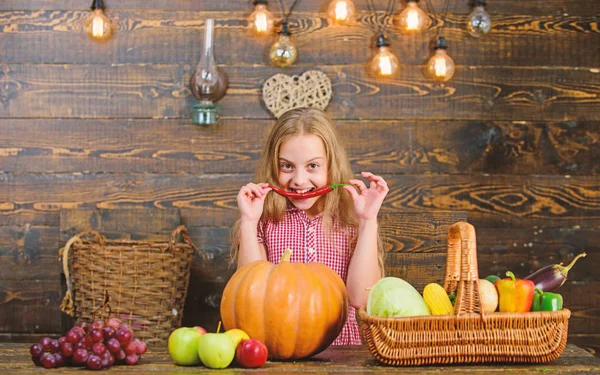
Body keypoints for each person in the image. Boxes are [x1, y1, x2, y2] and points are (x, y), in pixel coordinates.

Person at [230, 107, 388, 345]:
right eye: (287, 166)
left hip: (344, 354)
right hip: (279, 349)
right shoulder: (264, 221)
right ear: (274, 166)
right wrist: (249, 222)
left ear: (331, 166)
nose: (299, 180)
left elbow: (359, 298)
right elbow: (250, 295)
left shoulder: (351, 220)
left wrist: (367, 222)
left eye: (312, 166)